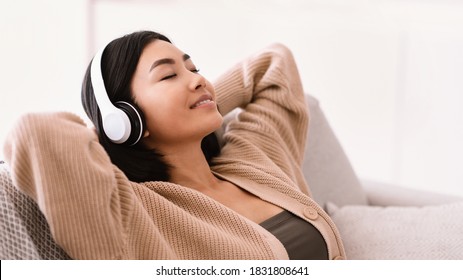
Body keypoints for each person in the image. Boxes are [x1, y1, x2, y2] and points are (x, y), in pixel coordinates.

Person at [3, 30, 346, 260]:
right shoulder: (131, 211)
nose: (198, 79)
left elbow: (274, 64)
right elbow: (35, 133)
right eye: (168, 76)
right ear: (125, 116)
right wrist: (117, 132)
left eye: (194, 69)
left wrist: (204, 101)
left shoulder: (252, 157)